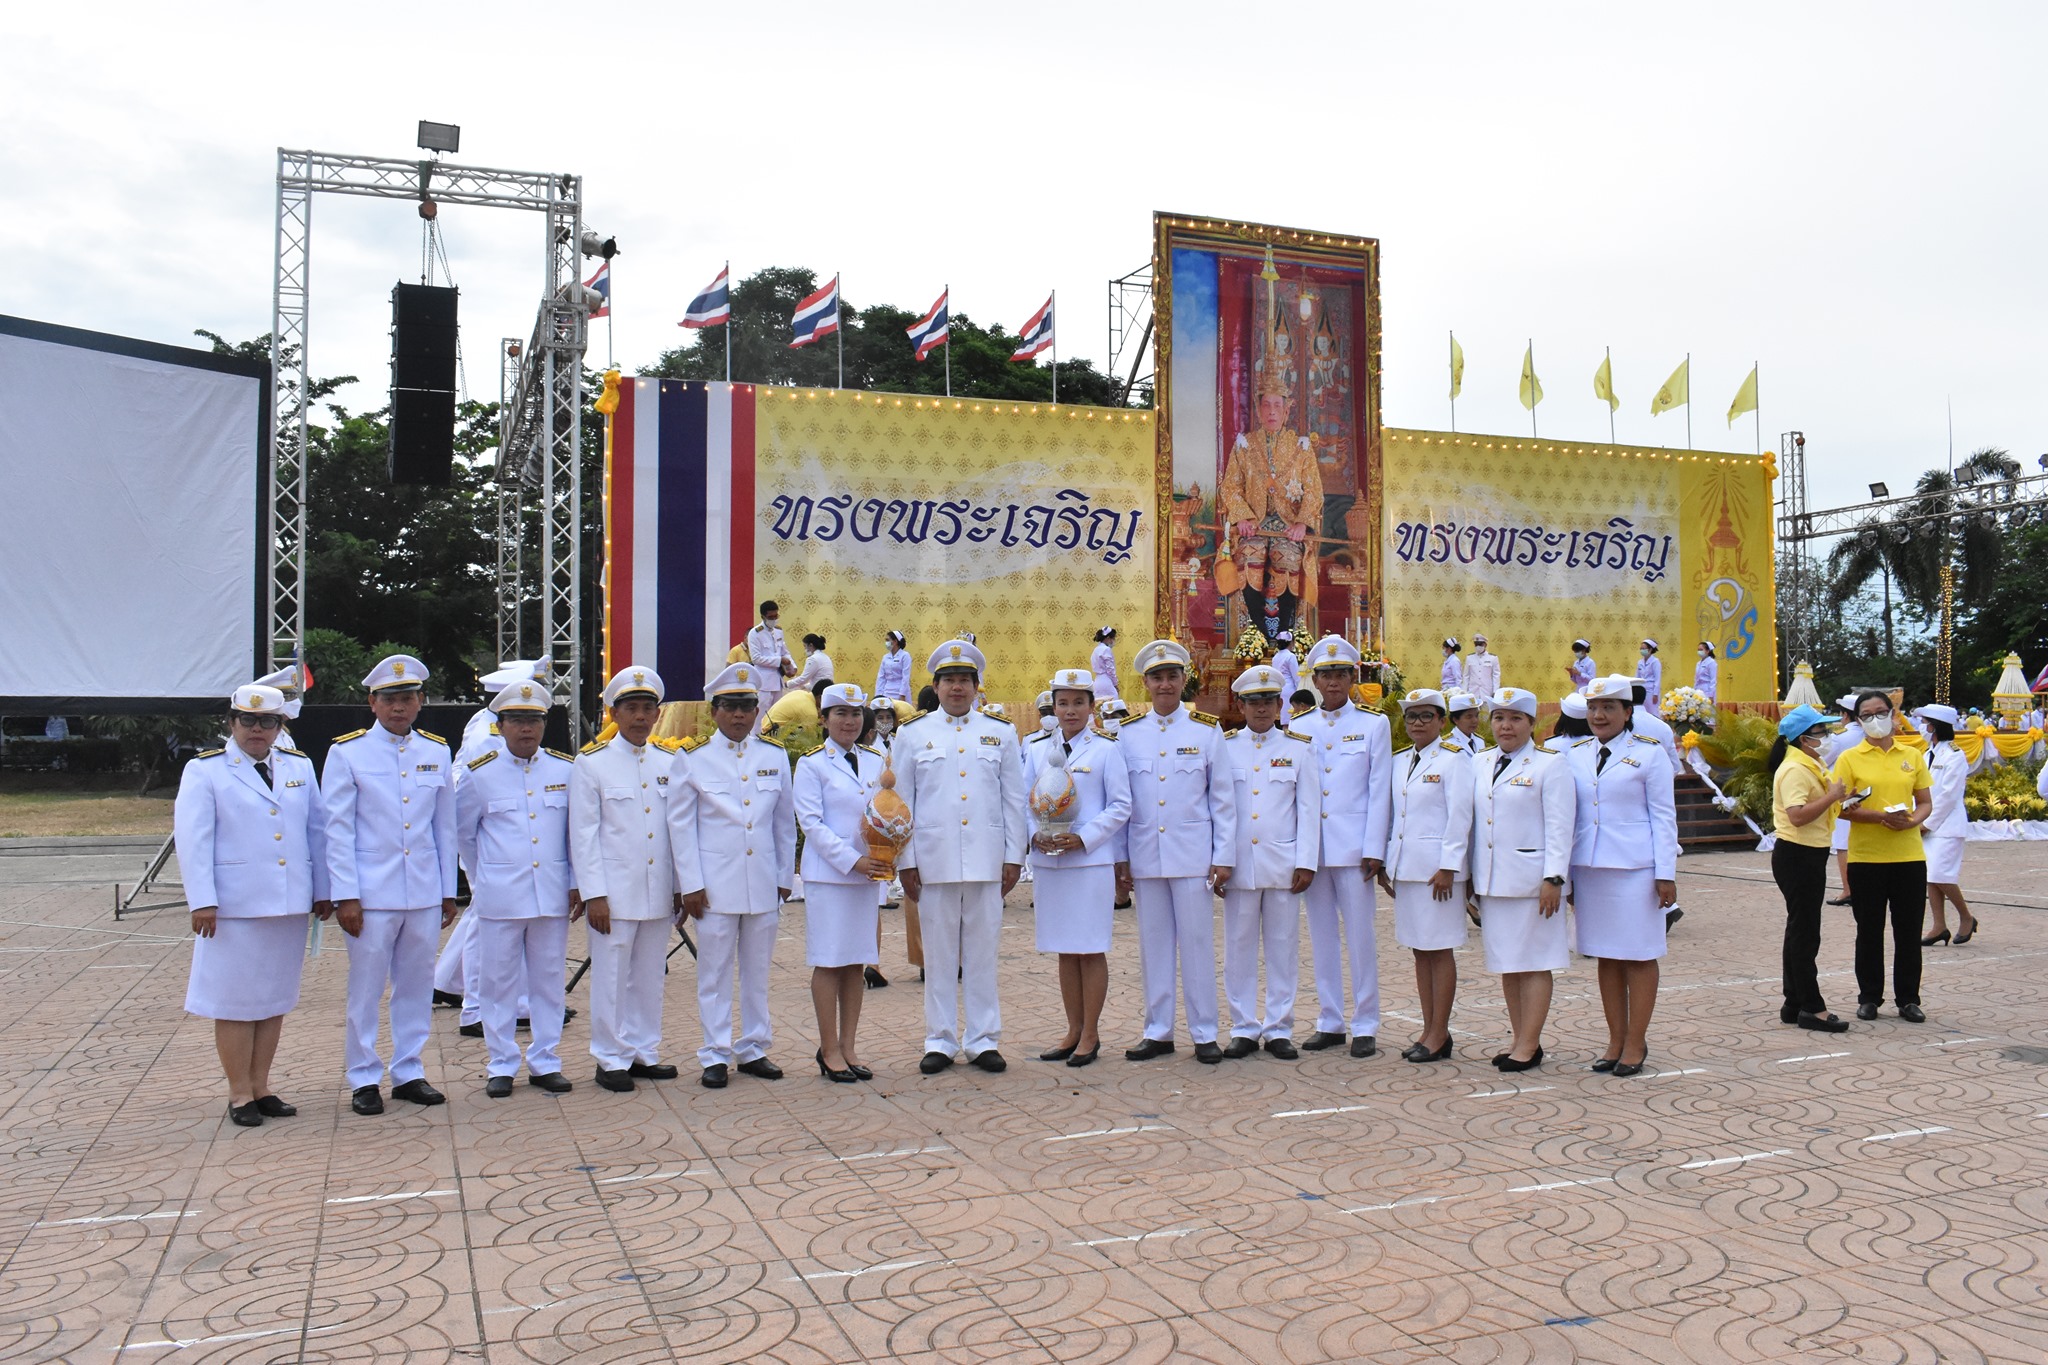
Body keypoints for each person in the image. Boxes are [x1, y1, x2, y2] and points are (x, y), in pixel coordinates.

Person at [177, 682, 329, 1125]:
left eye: (267, 721)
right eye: (248, 720)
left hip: (288, 902)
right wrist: (202, 900)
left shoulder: (299, 765)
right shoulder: (205, 770)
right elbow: (193, 840)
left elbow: (316, 831)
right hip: (233, 906)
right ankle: (239, 1092)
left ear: (280, 726)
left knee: (273, 998)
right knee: (235, 1002)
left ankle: (262, 1086)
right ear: (232, 722)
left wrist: (323, 889)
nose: (257, 729)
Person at [322, 655, 458, 1117]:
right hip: (371, 894)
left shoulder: (436, 751)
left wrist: (446, 890)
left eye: (407, 698)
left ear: (420, 702)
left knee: (416, 985)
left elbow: (444, 827)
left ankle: (409, 1070)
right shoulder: (348, 753)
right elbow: (337, 829)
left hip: (422, 890)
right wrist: (346, 895)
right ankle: (363, 1076)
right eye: (389, 699)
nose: (399, 707)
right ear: (372, 703)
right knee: (365, 989)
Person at [895, 639, 1030, 1074]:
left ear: (976, 686)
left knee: (982, 954)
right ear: (935, 686)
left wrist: (1014, 857)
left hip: (987, 860)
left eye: (965, 680)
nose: (957, 688)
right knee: (937, 956)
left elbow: (1014, 800)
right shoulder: (912, 734)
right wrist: (906, 862)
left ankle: (983, 1039)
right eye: (949, 680)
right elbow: (901, 803)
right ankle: (939, 1039)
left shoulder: (1000, 732)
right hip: (932, 862)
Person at [671, 662, 796, 1088]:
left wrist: (784, 875)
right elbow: (680, 827)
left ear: (758, 709)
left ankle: (754, 1047)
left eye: (747, 706)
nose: (739, 714)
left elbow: (783, 822)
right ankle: (715, 1052)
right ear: (715, 711)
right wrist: (690, 884)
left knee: (757, 972)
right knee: (714, 972)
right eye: (730, 706)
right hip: (714, 887)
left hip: (762, 881)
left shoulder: (773, 756)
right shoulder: (693, 758)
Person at [454, 680, 577, 1098]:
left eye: (534, 720)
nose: (527, 728)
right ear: (501, 725)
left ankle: (546, 1060)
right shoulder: (479, 774)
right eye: (517, 720)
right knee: (498, 983)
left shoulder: (564, 770)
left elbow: (571, 836)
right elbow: (464, 835)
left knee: (548, 981)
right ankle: (501, 1063)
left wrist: (574, 884)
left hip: (550, 893)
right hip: (500, 896)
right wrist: (486, 877)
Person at [1121, 639, 1236, 1064]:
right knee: (1153, 948)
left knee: (1197, 945)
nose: (1165, 684)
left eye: (1172, 676)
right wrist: (1121, 858)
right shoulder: (1128, 734)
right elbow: (1121, 800)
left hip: (1192, 856)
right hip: (1146, 854)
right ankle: (1158, 1031)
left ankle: (1205, 1033)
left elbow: (1222, 798)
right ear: (1146, 683)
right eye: (1157, 677)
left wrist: (1223, 856)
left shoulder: (1205, 729)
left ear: (1184, 680)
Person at [570, 666, 683, 1093]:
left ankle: (642, 1050)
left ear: (657, 714)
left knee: (650, 975)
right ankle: (610, 1056)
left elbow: (678, 831)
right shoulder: (592, 763)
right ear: (613, 713)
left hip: (658, 889)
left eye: (647, 708)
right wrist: (594, 894)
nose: (639, 716)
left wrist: (678, 887)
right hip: (613, 894)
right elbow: (583, 835)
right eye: (631, 708)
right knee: (611, 976)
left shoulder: (669, 762)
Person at [1567, 675, 1679, 1077]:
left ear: (1628, 712)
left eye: (1609, 708)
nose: (1599, 715)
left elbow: (1664, 817)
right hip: (1591, 869)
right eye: (1593, 708)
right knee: (1607, 956)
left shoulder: (1649, 754)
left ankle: (1636, 1041)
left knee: (1639, 955)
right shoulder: (1575, 754)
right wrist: (1566, 876)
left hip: (1636, 870)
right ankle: (1615, 1039)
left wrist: (1665, 873)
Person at [1024, 667, 1132, 1067]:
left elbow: (1120, 805)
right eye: (1063, 703)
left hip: (1088, 862)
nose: (1070, 711)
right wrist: (1034, 835)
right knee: (1065, 951)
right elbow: (1021, 799)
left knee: (1090, 948)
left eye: (1078, 703)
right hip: (1050, 861)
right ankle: (1072, 1029)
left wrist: (1084, 838)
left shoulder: (1106, 749)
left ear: (1091, 707)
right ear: (1053, 707)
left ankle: (1091, 1033)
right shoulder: (1037, 748)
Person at [1297, 635, 1393, 1058]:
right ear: (1315, 680)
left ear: (1353, 678)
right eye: (1325, 674)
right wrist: (1299, 851)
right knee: (1321, 937)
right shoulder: (1300, 727)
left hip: (1355, 849)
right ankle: (1330, 1020)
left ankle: (1366, 1022)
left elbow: (1379, 789)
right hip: (1314, 851)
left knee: (1360, 937)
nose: (1333, 681)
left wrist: (1375, 847)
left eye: (1340, 674)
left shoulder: (1374, 724)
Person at [1470, 688, 1575, 1071]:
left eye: (1515, 718)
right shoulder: (1480, 762)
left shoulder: (1550, 764)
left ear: (1531, 723)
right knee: (1509, 963)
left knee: (1534, 962)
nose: (1506, 726)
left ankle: (1529, 1045)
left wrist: (1554, 877)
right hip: (1493, 881)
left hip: (1533, 883)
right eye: (1499, 718)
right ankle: (1520, 1038)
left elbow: (1561, 826)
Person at [1220, 664, 1319, 1059]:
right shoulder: (1225, 747)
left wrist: (1306, 861)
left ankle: (1279, 1028)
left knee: (1283, 949)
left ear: (1280, 705)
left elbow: (1308, 810)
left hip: (1284, 863)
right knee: (1238, 949)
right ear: (1240, 706)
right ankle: (1243, 1027)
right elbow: (1217, 809)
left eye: (1268, 701)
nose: (1261, 708)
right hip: (1239, 864)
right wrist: (1219, 860)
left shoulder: (1299, 748)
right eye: (1253, 701)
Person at [794, 682, 888, 1082]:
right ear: (824, 719)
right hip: (830, 877)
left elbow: (888, 810)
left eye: (855, 714)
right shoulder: (812, 764)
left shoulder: (875, 760)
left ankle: (849, 1046)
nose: (849, 722)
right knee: (830, 961)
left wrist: (885, 852)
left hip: (868, 876)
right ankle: (828, 1048)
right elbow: (812, 824)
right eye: (840, 714)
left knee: (855, 963)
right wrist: (854, 861)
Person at [1378, 689, 1473, 1063]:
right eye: (1411, 717)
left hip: (1438, 872)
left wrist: (1449, 866)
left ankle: (1440, 1031)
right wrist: (1387, 863)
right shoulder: (1400, 760)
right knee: (1420, 950)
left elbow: (1460, 816)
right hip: (1408, 868)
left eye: (1426, 716)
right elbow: (1394, 816)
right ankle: (1429, 1027)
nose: (1417, 723)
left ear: (1442, 721)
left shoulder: (1454, 759)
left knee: (1439, 949)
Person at [1833, 690, 1933, 1022]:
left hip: (1908, 856)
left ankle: (1908, 998)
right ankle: (1869, 997)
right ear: (1858, 720)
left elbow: (1925, 802)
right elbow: (1840, 807)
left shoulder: (1912, 754)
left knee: (1908, 931)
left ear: (1892, 713)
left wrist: (1912, 821)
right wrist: (1878, 817)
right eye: (1866, 715)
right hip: (1866, 858)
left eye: (1880, 712)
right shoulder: (1850, 758)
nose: (1875, 719)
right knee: (1869, 931)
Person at [1219, 372, 1321, 638]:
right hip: (1254, 524)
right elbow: (1229, 487)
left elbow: (1314, 492)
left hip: (1287, 526)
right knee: (1249, 554)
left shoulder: (1301, 448)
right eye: (1266, 405)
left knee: (1287, 557)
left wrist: (1302, 524)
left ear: (1286, 411)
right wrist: (1242, 517)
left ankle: (1285, 632)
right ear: (1259, 410)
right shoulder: (1244, 445)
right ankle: (1259, 632)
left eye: (1277, 405)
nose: (1272, 411)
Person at [1767, 704, 1850, 1033]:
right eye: (1820, 732)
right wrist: (1832, 796)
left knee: (1799, 929)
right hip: (1798, 854)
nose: (1826, 736)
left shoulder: (1809, 763)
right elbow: (1797, 815)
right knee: (1805, 933)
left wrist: (1841, 798)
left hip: (1808, 853)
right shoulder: (1795, 769)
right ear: (1804, 738)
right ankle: (1812, 1007)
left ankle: (1794, 1002)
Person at [1914, 706, 1976, 946]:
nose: (1922, 727)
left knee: (1941, 874)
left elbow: (1949, 795)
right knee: (1931, 875)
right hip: (1927, 823)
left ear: (1935, 725)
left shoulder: (1954, 755)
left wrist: (1927, 823)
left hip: (1947, 825)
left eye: (1925, 722)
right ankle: (1939, 926)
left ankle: (1966, 916)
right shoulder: (1927, 753)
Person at [1820, 695, 1862, 905]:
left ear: (1845, 715)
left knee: (1843, 844)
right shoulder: (1873, 735)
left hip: (1845, 794)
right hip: (1868, 792)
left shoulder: (1840, 737)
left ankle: (1848, 890)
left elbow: (1822, 760)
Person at [747, 601, 793, 727]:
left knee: (776, 716)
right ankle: (756, 737)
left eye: (776, 616)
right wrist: (779, 660)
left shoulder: (778, 631)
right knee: (761, 715)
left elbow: (784, 651)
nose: (774, 619)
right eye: (770, 617)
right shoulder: (755, 633)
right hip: (764, 682)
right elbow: (756, 659)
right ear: (763, 617)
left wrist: (791, 667)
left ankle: (773, 738)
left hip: (777, 680)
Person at [875, 630, 912, 703]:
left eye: (887, 640)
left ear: (895, 641)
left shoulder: (905, 656)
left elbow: (905, 677)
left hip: (900, 691)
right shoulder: (885, 657)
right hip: (887, 691)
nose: (886, 643)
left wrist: (902, 694)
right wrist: (878, 695)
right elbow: (881, 677)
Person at [1463, 635, 1501, 700]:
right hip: (1472, 692)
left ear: (1485, 645)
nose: (1478, 646)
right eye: (1476, 644)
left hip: (1487, 692)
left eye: (1480, 644)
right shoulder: (1469, 658)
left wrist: (1495, 691)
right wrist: (1464, 691)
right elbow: (1466, 676)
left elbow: (1496, 675)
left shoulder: (1492, 658)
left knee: (1486, 706)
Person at [1090, 627, 1121, 704]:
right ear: (1108, 638)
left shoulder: (1096, 650)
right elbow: (1110, 670)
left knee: (1098, 705)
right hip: (1106, 681)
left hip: (1097, 681)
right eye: (1113, 638)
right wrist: (1115, 684)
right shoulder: (1106, 649)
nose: (1113, 641)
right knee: (1113, 704)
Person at [1270, 631, 1301, 702]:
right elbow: (1296, 677)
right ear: (1291, 642)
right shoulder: (1290, 656)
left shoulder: (1275, 657)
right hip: (1289, 689)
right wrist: (1300, 690)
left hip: (1278, 689)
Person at [1635, 640, 1664, 717]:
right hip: (1642, 691)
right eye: (1641, 648)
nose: (1642, 650)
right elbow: (1637, 678)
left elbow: (1657, 679)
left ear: (1650, 649)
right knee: (1643, 712)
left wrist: (1655, 694)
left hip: (1651, 692)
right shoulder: (1640, 662)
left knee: (1653, 712)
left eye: (1644, 648)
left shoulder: (1655, 662)